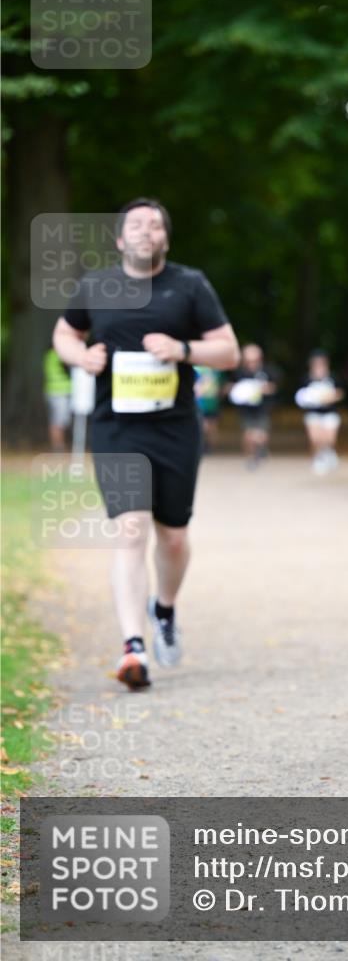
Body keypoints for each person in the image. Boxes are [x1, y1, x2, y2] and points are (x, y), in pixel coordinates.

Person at [53, 197, 240, 689]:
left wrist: (183, 349)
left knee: (173, 535)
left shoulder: (189, 284)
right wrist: (81, 357)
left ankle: (165, 609)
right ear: (119, 239)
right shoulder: (96, 284)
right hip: (115, 427)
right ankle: (133, 646)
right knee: (131, 528)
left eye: (155, 225)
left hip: (174, 426)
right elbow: (64, 335)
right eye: (135, 225)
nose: (145, 231)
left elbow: (228, 350)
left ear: (165, 239)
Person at [227, 344, 277, 469]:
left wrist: (263, 389)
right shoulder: (239, 372)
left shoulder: (267, 371)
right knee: (248, 436)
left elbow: (274, 387)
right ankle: (251, 458)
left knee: (261, 436)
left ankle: (261, 450)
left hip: (263, 409)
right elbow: (229, 388)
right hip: (245, 410)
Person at [295, 350, 345, 474]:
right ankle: (317, 459)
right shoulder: (306, 379)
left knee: (329, 438)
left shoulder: (332, 377)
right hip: (313, 413)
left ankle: (329, 453)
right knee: (315, 438)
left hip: (330, 413)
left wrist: (330, 398)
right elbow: (301, 396)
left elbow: (340, 393)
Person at [43, 347, 72, 450]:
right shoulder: (59, 354)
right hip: (60, 391)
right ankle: (59, 447)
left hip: (53, 391)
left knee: (56, 420)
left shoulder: (50, 355)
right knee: (58, 421)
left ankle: (59, 446)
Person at [193, 365, 225, 451]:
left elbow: (221, 385)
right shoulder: (197, 369)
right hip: (201, 403)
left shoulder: (217, 370)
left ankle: (210, 447)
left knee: (213, 427)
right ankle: (204, 446)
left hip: (213, 403)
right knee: (204, 426)